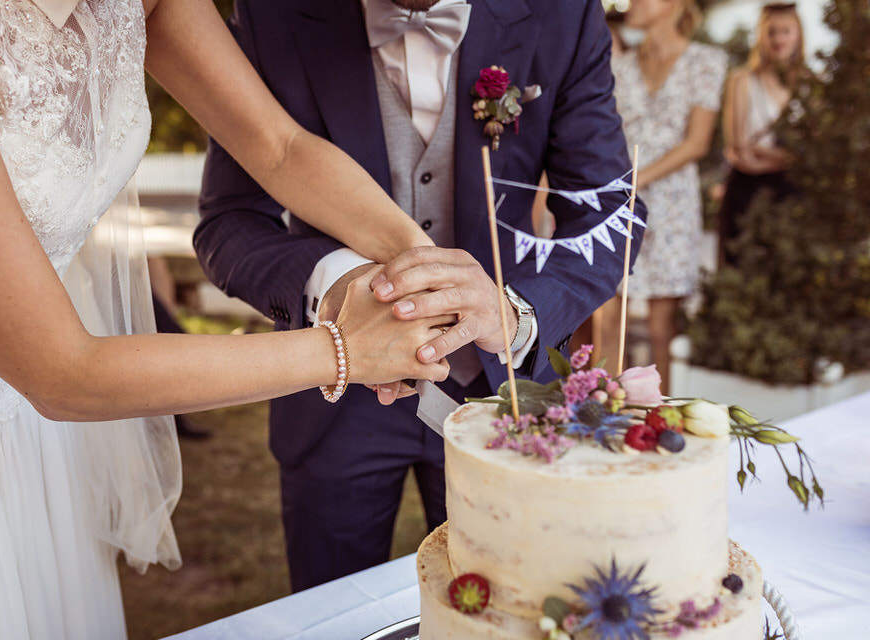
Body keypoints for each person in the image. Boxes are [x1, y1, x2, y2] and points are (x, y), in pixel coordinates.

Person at [0, 0, 455, 637]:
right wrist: (344, 351)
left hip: (30, 440)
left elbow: (278, 148)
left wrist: (424, 270)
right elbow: (62, 373)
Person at [195, 0, 646, 591]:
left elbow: (610, 211)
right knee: (335, 614)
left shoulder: (562, 12)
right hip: (334, 400)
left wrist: (516, 316)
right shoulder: (271, 14)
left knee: (505, 610)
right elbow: (229, 221)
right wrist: (331, 283)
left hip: (502, 392)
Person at [606, 0, 728, 392]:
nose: (630, 4)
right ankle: (602, 418)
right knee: (609, 320)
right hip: (620, 201)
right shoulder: (618, 67)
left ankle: (661, 425)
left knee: (661, 329)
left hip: (672, 203)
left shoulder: (705, 61)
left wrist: (637, 180)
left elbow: (697, 143)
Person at [718, 2, 805, 266]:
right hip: (747, 191)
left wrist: (761, 153)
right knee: (741, 266)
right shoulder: (742, 80)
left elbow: (811, 153)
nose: (778, 39)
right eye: (772, 32)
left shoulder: (808, 82)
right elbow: (738, 146)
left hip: (793, 192)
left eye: (785, 31)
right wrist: (785, 157)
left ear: (798, 33)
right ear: (761, 35)